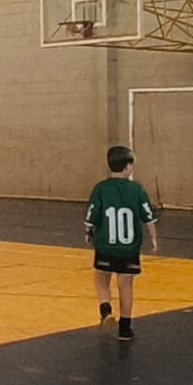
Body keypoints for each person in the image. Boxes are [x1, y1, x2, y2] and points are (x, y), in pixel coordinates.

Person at [84, 146, 158, 342]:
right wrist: (153, 238)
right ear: (128, 167)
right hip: (129, 248)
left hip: (105, 245)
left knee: (101, 278)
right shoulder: (137, 190)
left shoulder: (101, 188)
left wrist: (88, 232)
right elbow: (148, 217)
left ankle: (105, 309)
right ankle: (125, 328)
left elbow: (91, 215)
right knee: (126, 285)